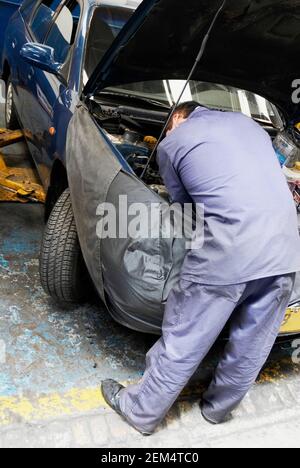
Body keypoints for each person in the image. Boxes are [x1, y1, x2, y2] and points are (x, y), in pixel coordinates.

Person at [101, 101, 300, 435]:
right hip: (286, 250)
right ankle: (218, 409)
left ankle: (141, 411)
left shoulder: (173, 142)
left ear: (179, 117)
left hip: (229, 252)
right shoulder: (250, 126)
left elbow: (181, 206)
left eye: (168, 127)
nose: (167, 134)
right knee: (254, 338)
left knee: (185, 335)